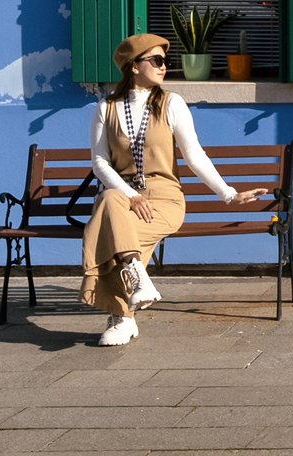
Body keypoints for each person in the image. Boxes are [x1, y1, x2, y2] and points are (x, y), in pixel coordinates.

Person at [80, 31, 273, 345]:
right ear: (133, 66)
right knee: (111, 201)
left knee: (108, 221)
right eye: (156, 60)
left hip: (164, 200)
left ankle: (121, 317)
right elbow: (100, 163)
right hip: (123, 196)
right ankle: (135, 279)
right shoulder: (106, 108)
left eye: (165, 60)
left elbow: (194, 154)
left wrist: (229, 193)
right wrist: (132, 196)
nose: (163, 66)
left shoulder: (171, 103)